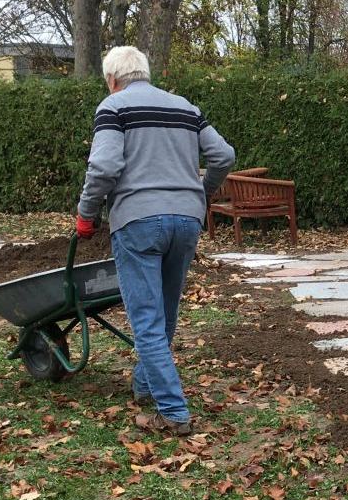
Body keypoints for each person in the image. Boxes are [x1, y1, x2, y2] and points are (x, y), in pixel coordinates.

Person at [75, 46, 236, 434]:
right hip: (187, 220)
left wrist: (86, 213)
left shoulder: (113, 107)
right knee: (163, 310)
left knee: (146, 318)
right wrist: (202, 191)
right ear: (145, 72)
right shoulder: (185, 107)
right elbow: (224, 155)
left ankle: (173, 413)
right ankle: (145, 385)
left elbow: (105, 166)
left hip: (138, 221)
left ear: (112, 80)